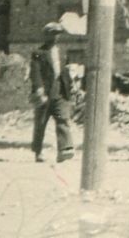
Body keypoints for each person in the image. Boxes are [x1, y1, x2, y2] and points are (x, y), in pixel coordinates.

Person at [29, 22, 75, 163]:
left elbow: (65, 71)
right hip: (44, 92)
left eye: (58, 34)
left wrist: (71, 85)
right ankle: (38, 151)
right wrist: (39, 88)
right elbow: (35, 72)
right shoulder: (39, 53)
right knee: (41, 123)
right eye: (53, 34)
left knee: (62, 119)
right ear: (46, 35)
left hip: (60, 91)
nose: (55, 37)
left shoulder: (62, 52)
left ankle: (64, 150)